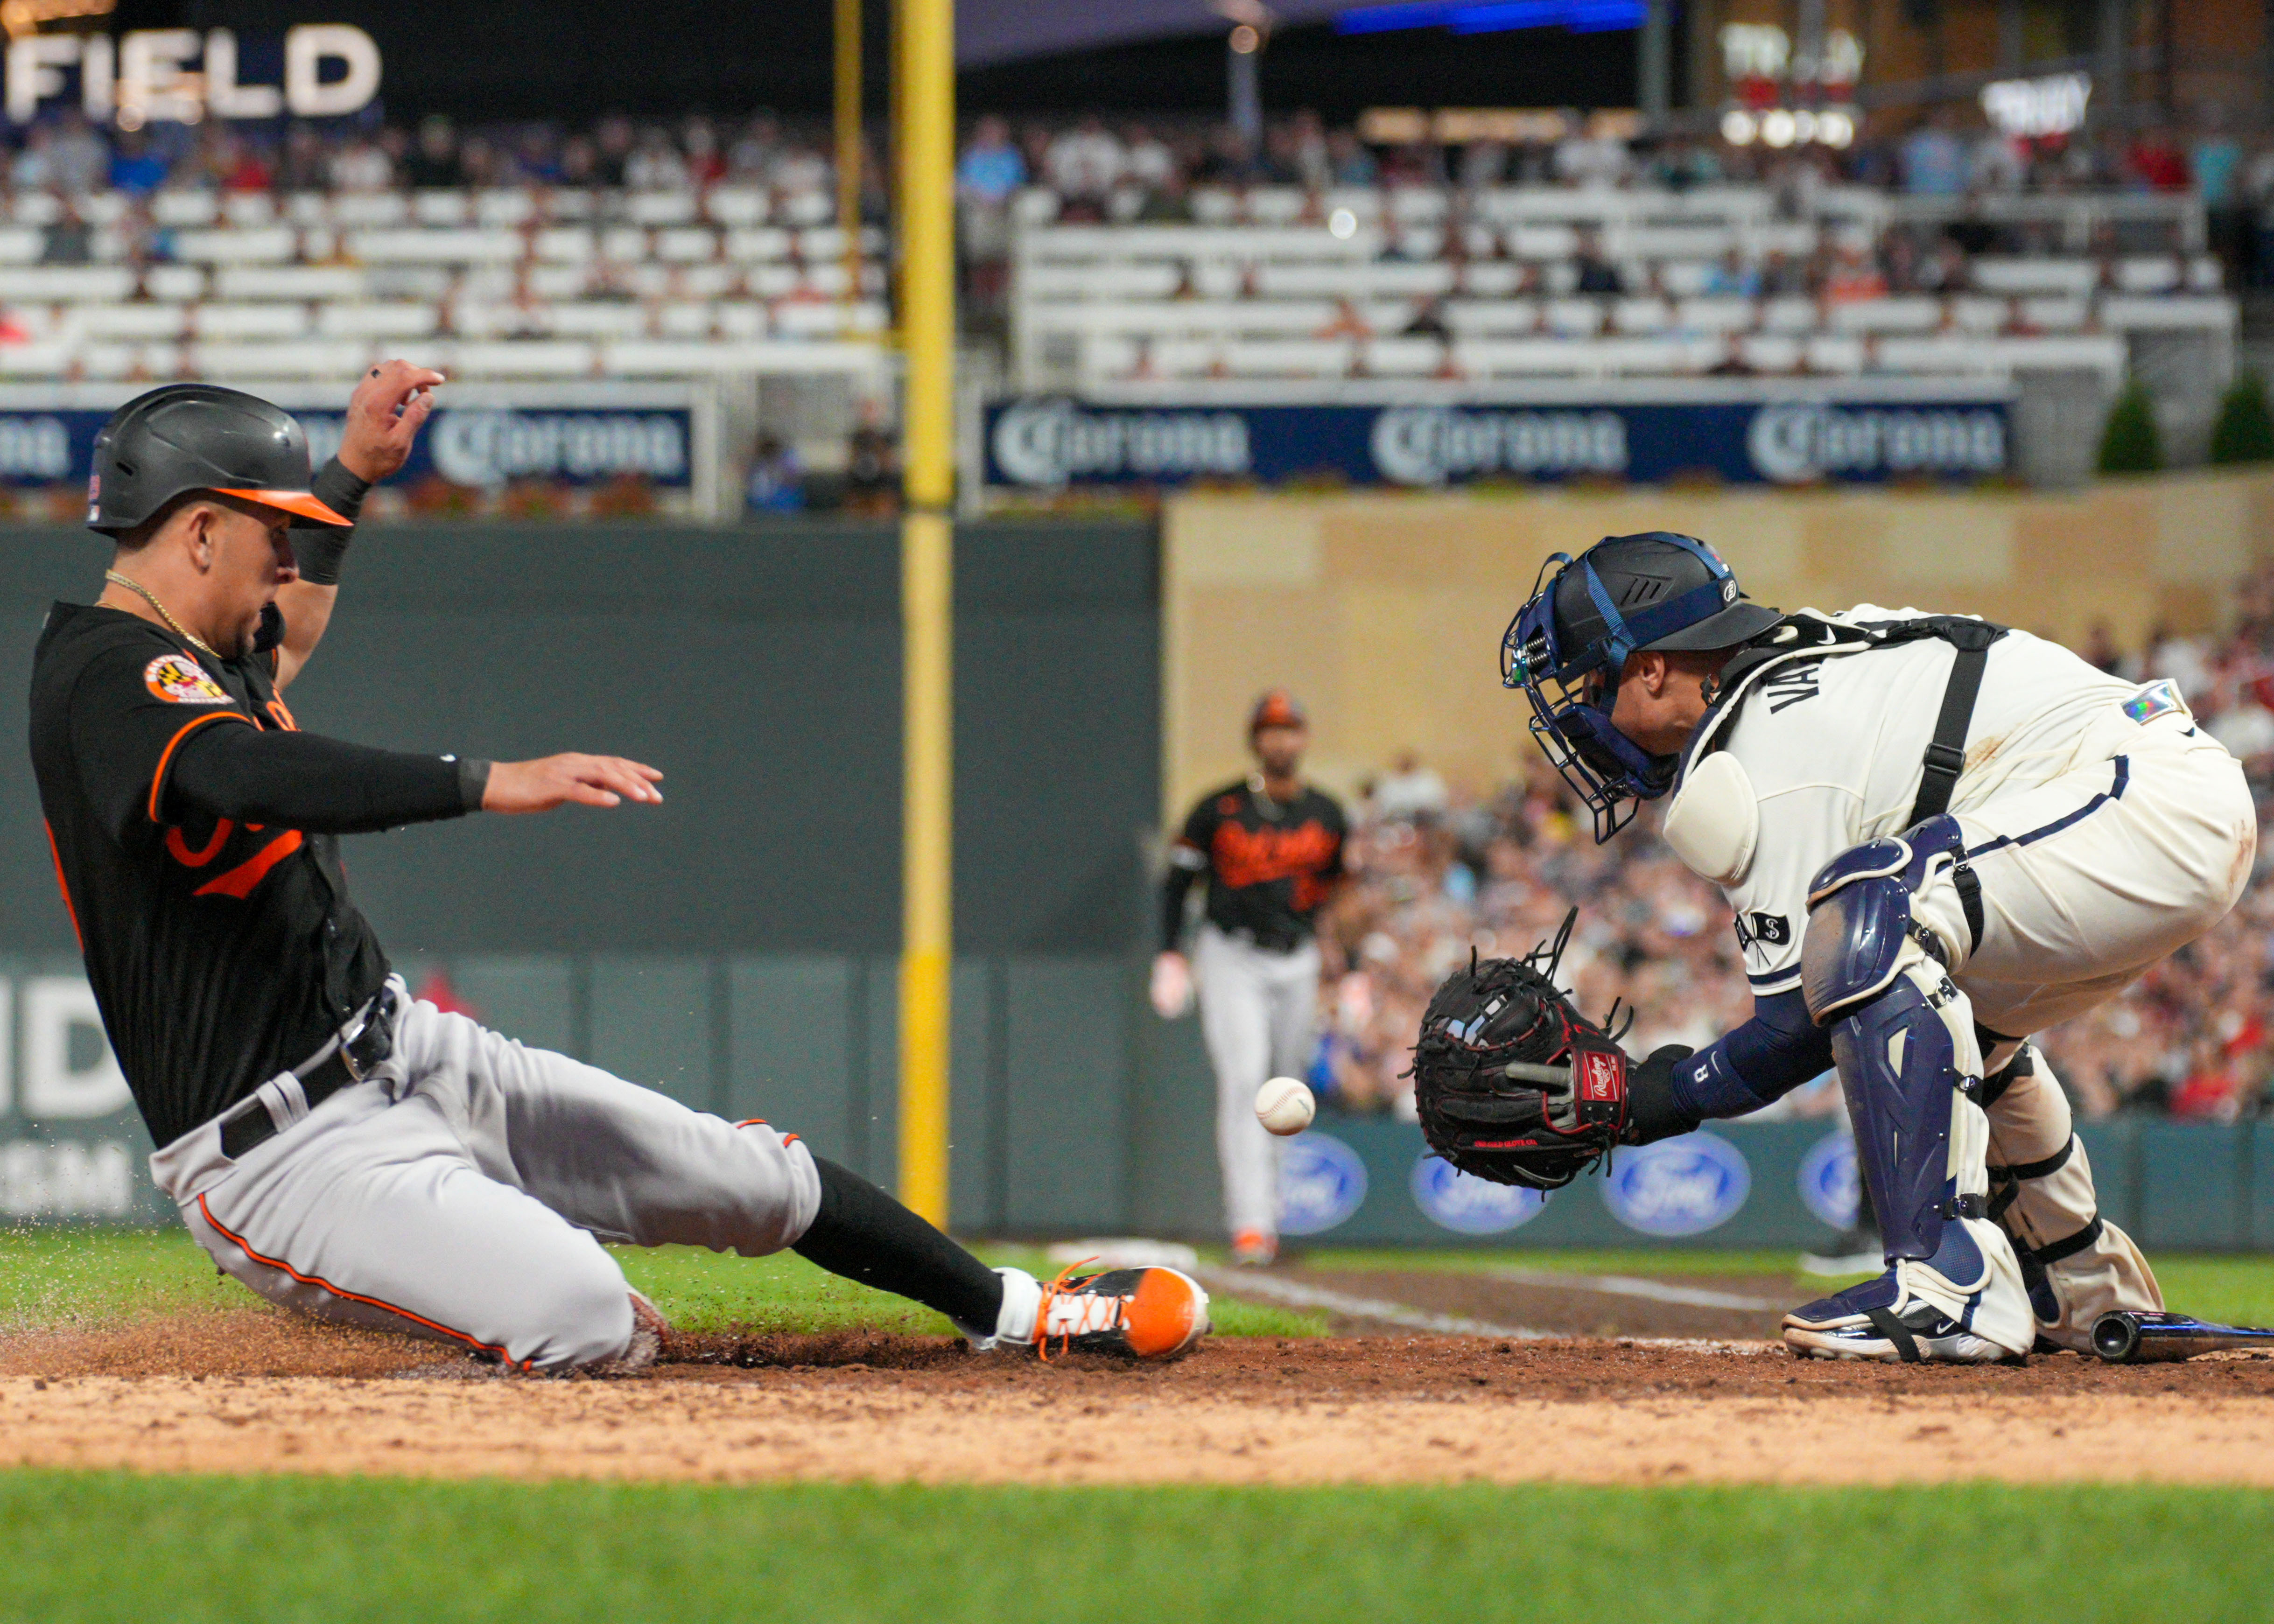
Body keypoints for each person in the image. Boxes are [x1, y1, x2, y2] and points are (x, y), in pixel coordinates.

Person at [28, 369, 1207, 1374]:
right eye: (269, 532)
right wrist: (488, 778)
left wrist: (349, 474)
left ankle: (1014, 1311)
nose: (287, 559)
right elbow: (245, 778)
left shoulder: (209, 652)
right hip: (282, 1154)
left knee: (752, 1178)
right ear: (197, 532)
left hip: (407, 1051)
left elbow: (298, 628)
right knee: (584, 1317)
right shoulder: (104, 676)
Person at [1503, 532, 2252, 1362]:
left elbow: (1796, 1027)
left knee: (1872, 909)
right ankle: (2085, 1289)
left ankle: (1947, 1285)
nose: (1581, 714)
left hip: (2140, 800)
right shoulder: (1796, 667)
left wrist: (1656, 1097)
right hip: (2150, 796)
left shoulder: (1761, 741)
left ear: (1651, 669)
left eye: (1592, 683)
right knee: (1969, 1029)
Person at [1151, 692, 1348, 1267]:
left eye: (1290, 730)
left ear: (1304, 739)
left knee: (1289, 1088)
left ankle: (1276, 1215)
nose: (1281, 740)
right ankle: (1251, 1224)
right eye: (1270, 730)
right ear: (1255, 740)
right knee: (1245, 1083)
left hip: (1300, 957)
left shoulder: (1329, 813)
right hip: (1231, 956)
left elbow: (1339, 893)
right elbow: (1176, 884)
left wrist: (1346, 962)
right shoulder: (1218, 809)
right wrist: (1170, 954)